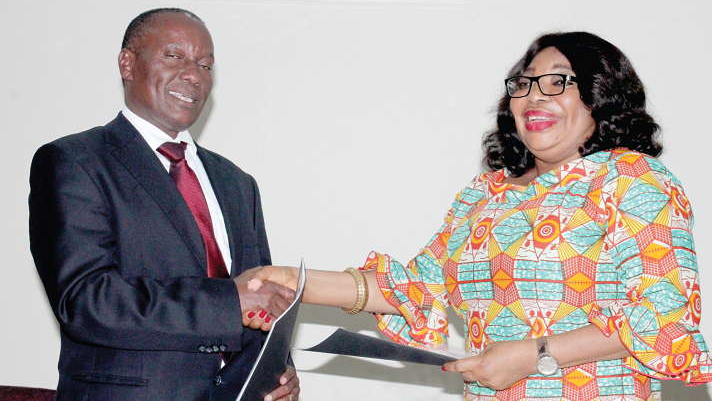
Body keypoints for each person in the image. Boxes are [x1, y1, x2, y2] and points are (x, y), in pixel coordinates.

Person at [247, 31, 712, 400]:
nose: (534, 96)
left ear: (599, 96)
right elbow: (411, 287)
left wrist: (535, 355)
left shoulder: (632, 179)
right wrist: (294, 280)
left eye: (558, 82)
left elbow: (666, 314)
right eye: (524, 83)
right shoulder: (483, 195)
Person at [29, 8, 300, 401]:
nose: (194, 74)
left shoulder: (238, 184)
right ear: (127, 63)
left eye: (206, 65)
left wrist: (278, 371)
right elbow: (87, 300)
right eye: (175, 56)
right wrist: (229, 302)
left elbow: (261, 298)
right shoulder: (75, 162)